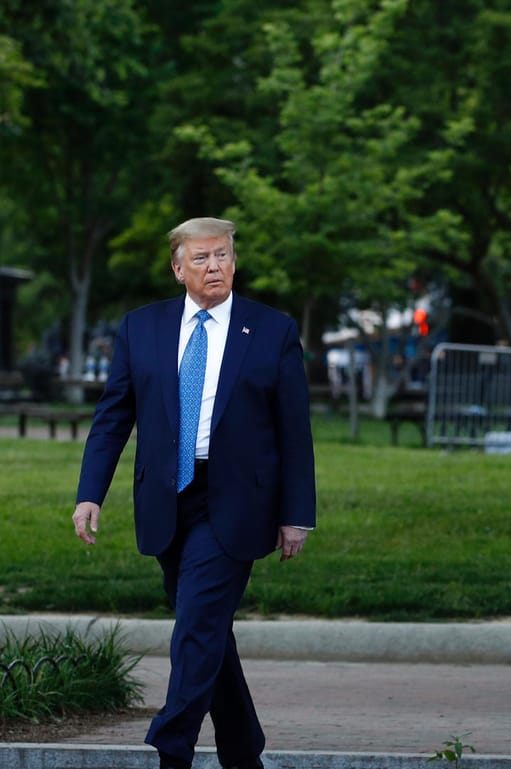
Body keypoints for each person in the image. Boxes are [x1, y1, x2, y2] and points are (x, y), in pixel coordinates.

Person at [72, 217, 316, 769]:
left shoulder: (271, 329)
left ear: (235, 261)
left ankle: (171, 746)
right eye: (202, 259)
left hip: (236, 502)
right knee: (207, 629)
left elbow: (293, 431)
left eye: (224, 256)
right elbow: (113, 417)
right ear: (178, 269)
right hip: (166, 500)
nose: (215, 267)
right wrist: (92, 493)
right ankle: (242, 752)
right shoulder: (142, 328)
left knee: (197, 624)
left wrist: (296, 514)